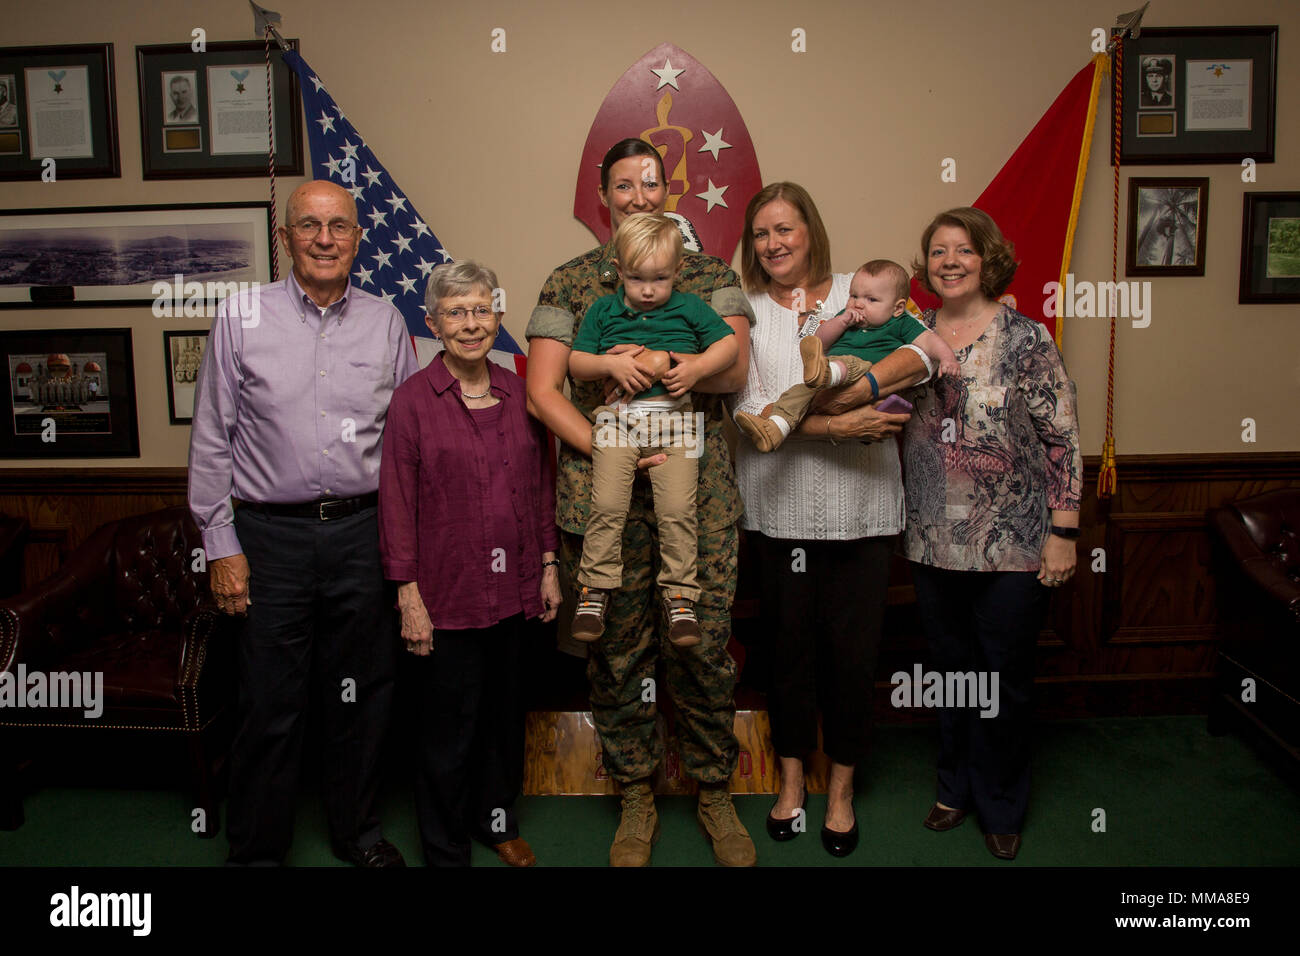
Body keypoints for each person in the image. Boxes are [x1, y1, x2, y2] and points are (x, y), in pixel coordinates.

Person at [525, 137, 755, 867]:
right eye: (623, 185)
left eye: (650, 183)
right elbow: (542, 390)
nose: (638, 196)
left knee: (704, 646)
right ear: (604, 196)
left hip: (699, 494)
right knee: (618, 654)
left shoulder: (709, 274)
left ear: (667, 189)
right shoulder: (569, 283)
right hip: (608, 494)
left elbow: (735, 372)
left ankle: (715, 789)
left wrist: (668, 366)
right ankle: (635, 794)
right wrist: (607, 446)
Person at [188, 179, 417, 867]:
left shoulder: (386, 322)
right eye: (310, 226)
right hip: (270, 540)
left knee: (363, 700)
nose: (325, 239)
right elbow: (209, 441)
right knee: (270, 704)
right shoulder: (241, 317)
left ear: (357, 238)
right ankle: (259, 851)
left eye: (339, 226)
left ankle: (357, 835)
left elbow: (406, 446)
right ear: (284, 238)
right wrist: (220, 544)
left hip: (362, 534)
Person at [731, 182, 933, 858]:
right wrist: (839, 425)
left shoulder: (864, 288)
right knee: (787, 657)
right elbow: (750, 413)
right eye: (761, 233)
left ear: (810, 231)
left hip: (863, 514)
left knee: (852, 660)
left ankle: (841, 790)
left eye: (785, 229)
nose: (774, 243)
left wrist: (873, 385)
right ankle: (791, 782)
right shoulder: (745, 310)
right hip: (779, 513)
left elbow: (928, 354)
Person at [902, 207, 1081, 861]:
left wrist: (1064, 531)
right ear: (926, 267)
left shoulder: (1026, 337)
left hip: (1014, 540)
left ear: (987, 259)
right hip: (931, 538)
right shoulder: (910, 334)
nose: (950, 261)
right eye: (938, 251)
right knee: (951, 673)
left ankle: (1001, 801)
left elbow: (1061, 435)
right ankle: (954, 788)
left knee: (1003, 678)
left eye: (963, 250)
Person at [379, 260, 561, 867]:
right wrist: (407, 595)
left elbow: (542, 485)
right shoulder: (411, 402)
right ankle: (446, 845)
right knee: (446, 734)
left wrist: (548, 564)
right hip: (446, 596)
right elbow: (397, 504)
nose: (471, 324)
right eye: (455, 313)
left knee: (504, 723)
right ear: (432, 323)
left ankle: (498, 824)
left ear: (498, 316)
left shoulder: (520, 392)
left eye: (481, 309)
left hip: (513, 593)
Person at [568, 213, 738, 646]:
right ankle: (595, 589)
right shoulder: (603, 309)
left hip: (676, 423)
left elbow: (730, 346)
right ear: (619, 271)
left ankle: (680, 597)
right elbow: (576, 363)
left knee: (678, 511)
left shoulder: (691, 307)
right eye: (637, 278)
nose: (648, 290)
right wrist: (610, 363)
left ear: (678, 272)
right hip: (616, 422)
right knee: (606, 503)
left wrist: (696, 367)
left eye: (660, 279)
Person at [735, 258, 958, 451]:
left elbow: (929, 342)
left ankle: (826, 373)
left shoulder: (901, 322)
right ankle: (776, 428)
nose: (858, 304)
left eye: (871, 300)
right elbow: (820, 341)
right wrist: (840, 322)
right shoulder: (847, 316)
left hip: (864, 372)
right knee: (797, 394)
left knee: (850, 363)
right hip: (828, 382)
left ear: (897, 308)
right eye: (854, 296)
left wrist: (947, 357)